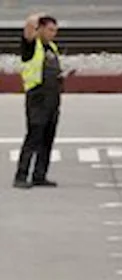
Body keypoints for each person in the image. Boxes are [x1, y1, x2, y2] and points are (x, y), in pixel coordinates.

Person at [14, 13, 63, 189]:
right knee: (33, 137)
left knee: (47, 138)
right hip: (38, 98)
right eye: (50, 30)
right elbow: (28, 28)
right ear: (40, 29)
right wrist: (38, 16)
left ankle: (39, 175)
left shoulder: (51, 48)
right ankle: (21, 175)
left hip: (52, 99)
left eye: (55, 31)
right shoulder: (31, 47)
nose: (53, 34)